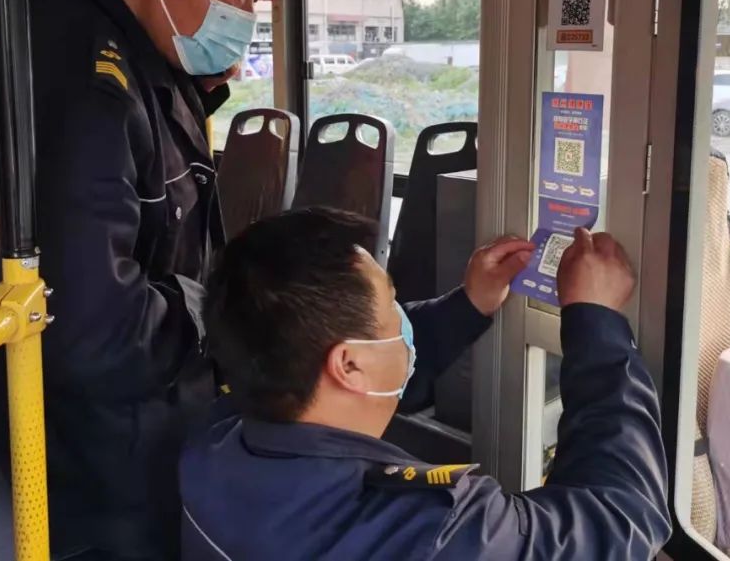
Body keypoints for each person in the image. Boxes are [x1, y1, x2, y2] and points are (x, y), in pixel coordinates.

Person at [0, 0, 294, 560]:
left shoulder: (129, 50)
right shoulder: (79, 66)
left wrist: (195, 91)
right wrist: (213, 311)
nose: (247, 17)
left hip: (128, 439)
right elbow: (92, 325)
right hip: (102, 463)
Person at [182, 208, 671, 560]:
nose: (402, 319)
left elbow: (363, 379)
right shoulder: (425, 531)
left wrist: (468, 305)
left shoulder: (215, 440)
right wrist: (595, 322)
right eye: (392, 305)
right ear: (348, 365)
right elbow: (621, 520)